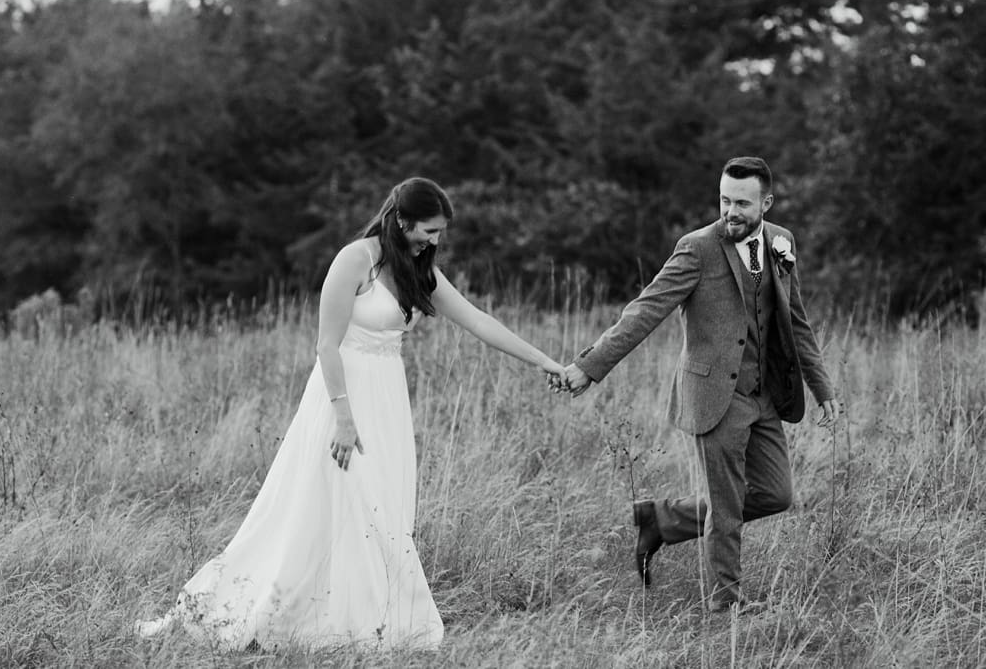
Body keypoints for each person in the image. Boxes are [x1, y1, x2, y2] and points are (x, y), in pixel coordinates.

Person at [136, 177, 568, 649]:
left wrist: (545, 361)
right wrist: (343, 418)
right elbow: (326, 343)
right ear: (401, 219)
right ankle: (289, 611)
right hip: (341, 392)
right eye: (429, 230)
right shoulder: (355, 259)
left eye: (441, 232)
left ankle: (367, 613)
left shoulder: (417, 269)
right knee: (331, 501)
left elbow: (479, 320)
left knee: (379, 504)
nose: (436, 241)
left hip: (387, 396)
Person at [561, 157, 840, 613]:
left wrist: (821, 386)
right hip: (715, 396)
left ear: (766, 203)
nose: (731, 210)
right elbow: (645, 310)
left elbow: (796, 320)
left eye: (743, 203)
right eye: (725, 199)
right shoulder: (697, 248)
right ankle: (726, 606)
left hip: (764, 393)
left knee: (776, 494)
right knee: (726, 508)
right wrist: (589, 367)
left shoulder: (781, 243)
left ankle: (662, 520)